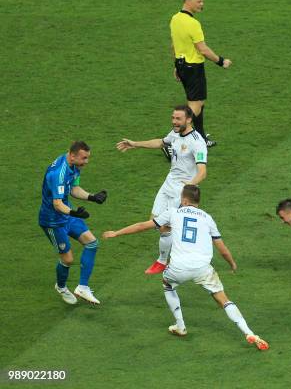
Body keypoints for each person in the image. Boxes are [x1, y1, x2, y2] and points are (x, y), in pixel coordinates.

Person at [102, 185, 269, 350]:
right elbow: (221, 247)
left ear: (184, 200)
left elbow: (141, 226)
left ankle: (180, 325)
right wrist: (231, 263)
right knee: (223, 299)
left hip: (178, 267)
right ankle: (248, 332)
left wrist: (116, 233)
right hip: (203, 268)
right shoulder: (207, 218)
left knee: (167, 284)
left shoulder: (173, 212)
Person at [116, 105, 207, 274]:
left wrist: (189, 187)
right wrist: (135, 144)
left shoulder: (197, 142)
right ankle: (174, 252)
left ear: (188, 119)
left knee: (165, 226)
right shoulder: (176, 133)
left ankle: (163, 261)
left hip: (181, 189)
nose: (174, 121)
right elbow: (161, 142)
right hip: (168, 184)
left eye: (178, 119)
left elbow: (202, 172)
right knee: (155, 221)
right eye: (173, 118)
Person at [39, 141, 107, 305]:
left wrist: (92, 197)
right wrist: (73, 212)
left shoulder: (74, 166)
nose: (86, 162)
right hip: (53, 221)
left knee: (92, 243)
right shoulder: (58, 174)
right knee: (68, 259)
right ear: (72, 155)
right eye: (84, 158)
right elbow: (57, 204)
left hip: (67, 214)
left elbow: (73, 189)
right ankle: (61, 287)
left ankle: (82, 287)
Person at [169, 0, 232, 152]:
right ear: (188, 1)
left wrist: (176, 66)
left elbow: (174, 45)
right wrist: (221, 61)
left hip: (182, 66)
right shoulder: (193, 23)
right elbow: (202, 49)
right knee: (194, 107)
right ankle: (171, 142)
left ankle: (201, 138)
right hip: (193, 68)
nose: (202, 4)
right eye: (199, 1)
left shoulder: (175, 19)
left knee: (198, 103)